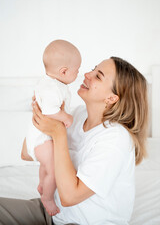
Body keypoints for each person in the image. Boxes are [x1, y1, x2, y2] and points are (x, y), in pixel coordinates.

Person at [0, 57, 148, 225]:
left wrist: (58, 132)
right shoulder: (77, 115)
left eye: (98, 76)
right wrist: (44, 113)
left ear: (112, 98)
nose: (87, 74)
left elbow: (70, 197)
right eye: (93, 68)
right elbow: (27, 153)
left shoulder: (116, 139)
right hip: (52, 214)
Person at [21, 39, 81, 216]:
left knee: (46, 166)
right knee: (53, 169)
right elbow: (49, 112)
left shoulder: (51, 83)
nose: (78, 74)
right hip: (41, 138)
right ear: (64, 71)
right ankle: (47, 198)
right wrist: (66, 117)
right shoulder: (51, 88)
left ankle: (42, 184)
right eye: (76, 71)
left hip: (42, 136)